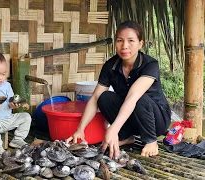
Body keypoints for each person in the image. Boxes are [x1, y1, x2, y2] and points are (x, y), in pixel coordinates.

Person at [66, 20, 171, 158]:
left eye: (131, 41)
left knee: (139, 98)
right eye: (120, 40)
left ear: (140, 44)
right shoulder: (111, 65)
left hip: (157, 119)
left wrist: (113, 129)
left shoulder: (150, 64)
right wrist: (80, 129)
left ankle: (151, 140)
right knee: (104, 97)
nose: (124, 46)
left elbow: (133, 96)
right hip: (132, 116)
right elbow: (95, 98)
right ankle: (127, 136)